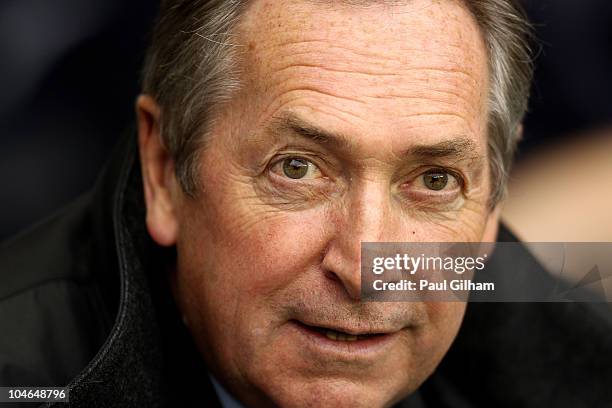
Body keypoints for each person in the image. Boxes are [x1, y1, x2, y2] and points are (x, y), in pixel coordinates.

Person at [0, 1, 610, 407]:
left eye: (433, 181)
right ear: (164, 170)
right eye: (298, 169)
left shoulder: (581, 368)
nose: (367, 268)